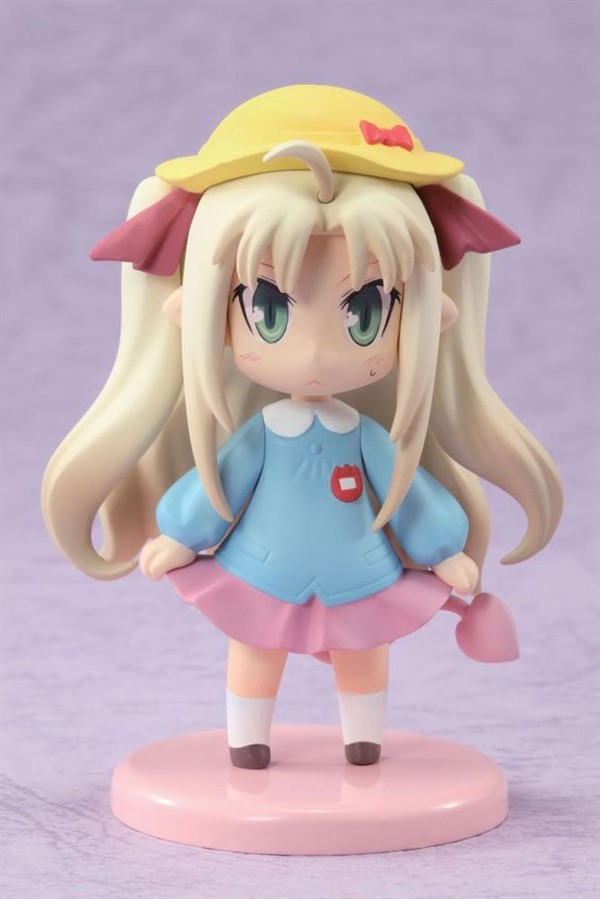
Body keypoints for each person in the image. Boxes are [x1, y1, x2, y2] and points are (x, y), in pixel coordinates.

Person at [42, 85, 563, 770]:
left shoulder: (367, 437)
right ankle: (247, 739)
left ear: (427, 317)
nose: (315, 354)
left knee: (363, 653)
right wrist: (179, 535)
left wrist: (442, 550)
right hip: (262, 571)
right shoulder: (259, 435)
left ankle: (363, 739)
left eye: (366, 312)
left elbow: (408, 494)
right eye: (268, 309)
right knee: (254, 648)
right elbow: (220, 484)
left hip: (359, 571)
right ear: (199, 312)